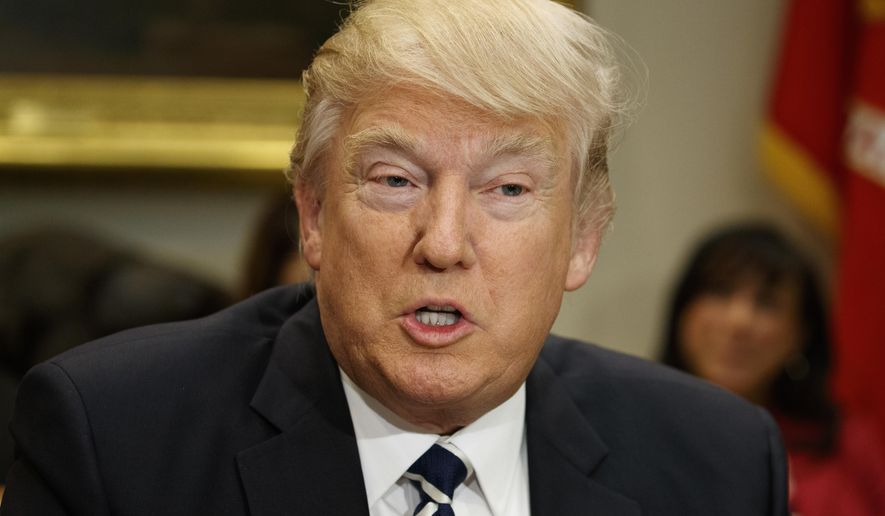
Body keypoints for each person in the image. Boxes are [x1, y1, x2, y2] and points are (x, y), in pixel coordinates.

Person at [2, 1, 788, 514]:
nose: (442, 243)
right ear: (312, 214)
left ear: (583, 238)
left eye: (508, 189)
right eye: (394, 180)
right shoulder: (109, 440)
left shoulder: (717, 467)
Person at [661, 223, 885, 516]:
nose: (739, 321)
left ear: (802, 334)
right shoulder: (629, 429)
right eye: (720, 291)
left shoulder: (847, 441)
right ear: (683, 309)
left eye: (766, 303)